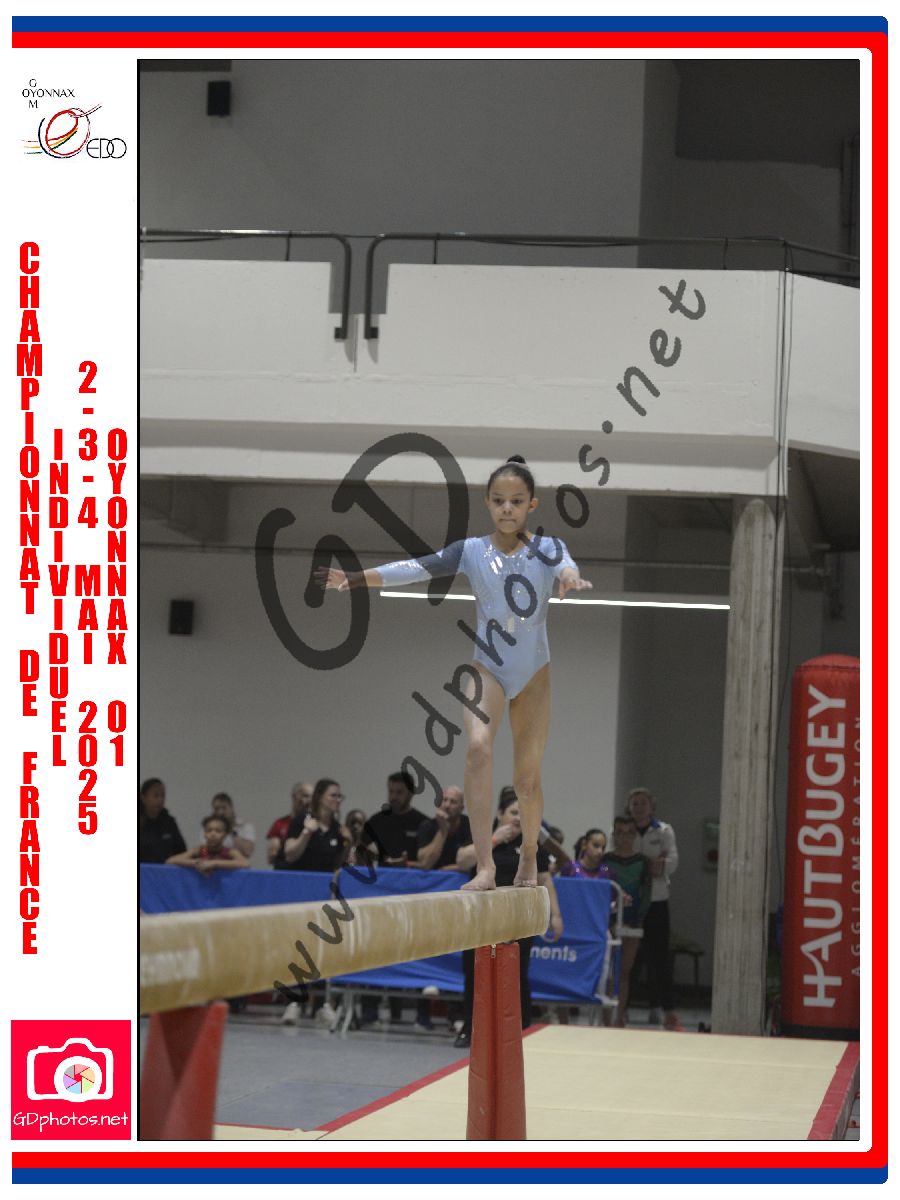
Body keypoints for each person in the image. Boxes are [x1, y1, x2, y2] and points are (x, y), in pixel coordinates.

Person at [317, 455, 591, 891]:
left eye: (516, 501)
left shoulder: (548, 548)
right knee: (478, 748)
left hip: (534, 674)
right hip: (488, 669)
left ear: (531, 505)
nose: (507, 508)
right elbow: (417, 567)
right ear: (487, 503)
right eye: (498, 500)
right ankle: (485, 867)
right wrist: (359, 578)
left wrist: (571, 577)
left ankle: (529, 853)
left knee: (526, 780)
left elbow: (566, 565)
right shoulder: (471, 551)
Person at [455, 791, 564, 1047]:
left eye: (522, 814)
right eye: (514, 813)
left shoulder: (530, 845)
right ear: (499, 814)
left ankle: (522, 1030)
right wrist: (494, 839)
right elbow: (461, 861)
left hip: (518, 920)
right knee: (475, 974)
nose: (517, 818)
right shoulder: (484, 837)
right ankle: (471, 1028)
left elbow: (545, 879)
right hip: (482, 918)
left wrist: (556, 914)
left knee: (517, 974)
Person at [625, 787, 684, 1032]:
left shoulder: (664, 830)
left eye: (643, 803)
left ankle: (667, 1012)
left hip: (657, 901)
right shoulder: (623, 830)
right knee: (629, 959)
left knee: (659, 958)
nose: (639, 807)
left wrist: (657, 866)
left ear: (651, 807)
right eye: (635, 803)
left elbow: (672, 862)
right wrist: (647, 864)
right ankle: (621, 1009)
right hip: (630, 902)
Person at [602, 815, 651, 1026]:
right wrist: (608, 920)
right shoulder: (606, 860)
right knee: (607, 970)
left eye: (629, 832)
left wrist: (637, 920)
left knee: (624, 971)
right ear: (614, 834)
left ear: (635, 835)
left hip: (632, 923)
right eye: (620, 832)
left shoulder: (642, 862)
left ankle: (619, 1016)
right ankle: (606, 1018)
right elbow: (601, 892)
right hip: (608, 922)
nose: (624, 837)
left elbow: (646, 895)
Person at [282, 778, 350, 872]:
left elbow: (339, 864)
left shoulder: (338, 829)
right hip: (301, 877)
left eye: (339, 796)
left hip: (325, 878)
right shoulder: (301, 820)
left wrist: (349, 842)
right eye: (333, 796)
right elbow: (290, 856)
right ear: (320, 797)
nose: (338, 800)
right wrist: (306, 833)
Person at [361, 771, 428, 866]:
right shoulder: (376, 821)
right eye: (391, 791)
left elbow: (428, 861)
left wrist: (407, 863)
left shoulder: (423, 823)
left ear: (411, 793)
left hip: (411, 874)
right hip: (381, 874)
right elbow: (362, 848)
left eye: (399, 792)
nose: (394, 797)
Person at [415, 785, 473, 871]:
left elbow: (473, 861)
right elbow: (425, 863)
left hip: (463, 877)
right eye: (444, 800)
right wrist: (443, 830)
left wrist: (448, 869)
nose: (447, 805)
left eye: (453, 802)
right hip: (433, 876)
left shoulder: (470, 827)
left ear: (461, 808)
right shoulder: (427, 826)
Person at [166, 814, 249, 873]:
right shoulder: (200, 850)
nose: (213, 834)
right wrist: (196, 862)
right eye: (209, 830)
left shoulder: (230, 852)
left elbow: (245, 864)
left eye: (218, 831)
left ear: (225, 834)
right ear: (204, 834)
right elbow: (170, 861)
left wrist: (214, 863)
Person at [139, 778, 187, 863]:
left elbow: (181, 850)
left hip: (165, 869)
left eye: (162, 796)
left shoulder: (169, 822)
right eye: (156, 796)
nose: (160, 800)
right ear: (143, 798)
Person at [267, 781, 313, 866]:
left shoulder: (315, 825)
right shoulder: (280, 823)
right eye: (305, 796)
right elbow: (272, 855)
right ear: (294, 797)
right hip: (286, 869)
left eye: (312, 797)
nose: (309, 801)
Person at [207, 792, 256, 860]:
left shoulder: (246, 827)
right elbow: (205, 852)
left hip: (239, 865)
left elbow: (248, 852)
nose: (220, 812)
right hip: (215, 865)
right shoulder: (208, 829)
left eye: (224, 808)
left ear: (231, 807)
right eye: (217, 809)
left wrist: (232, 830)